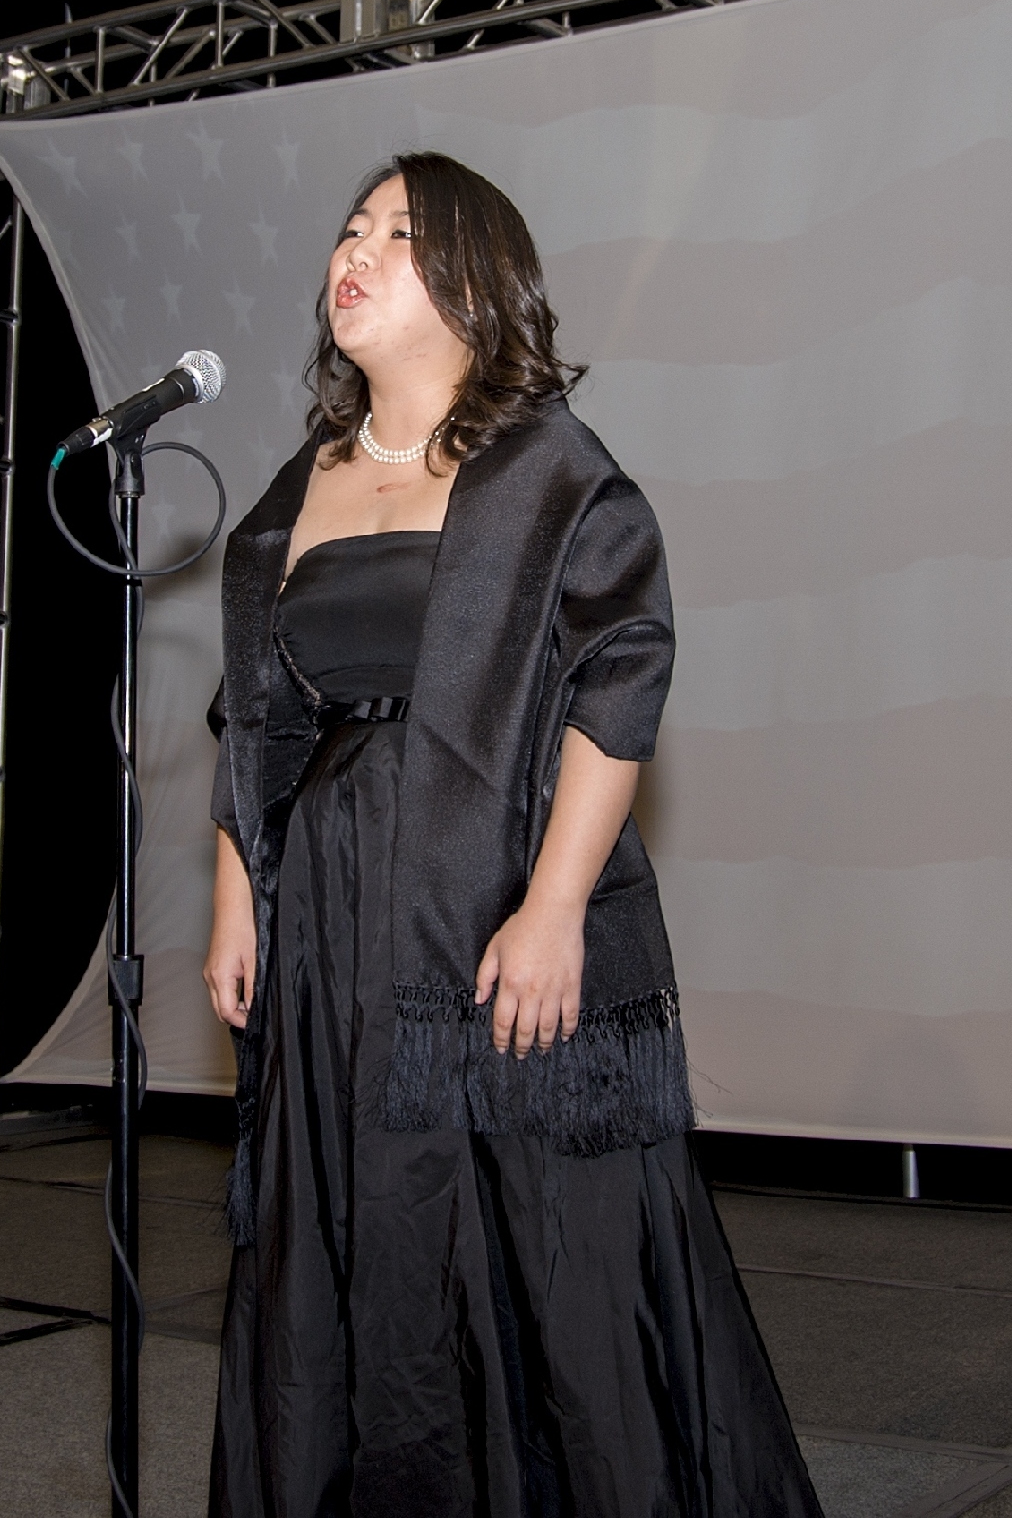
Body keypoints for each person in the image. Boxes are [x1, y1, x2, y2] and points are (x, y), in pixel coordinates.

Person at [201, 151, 821, 1516]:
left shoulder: (544, 469)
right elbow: (253, 711)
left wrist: (552, 909)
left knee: (543, 1255)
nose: (354, 252)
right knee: (356, 1234)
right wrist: (238, 898)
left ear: (476, 282)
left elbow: (620, 675)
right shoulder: (299, 486)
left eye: (398, 234)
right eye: (350, 229)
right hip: (333, 924)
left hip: (490, 893)